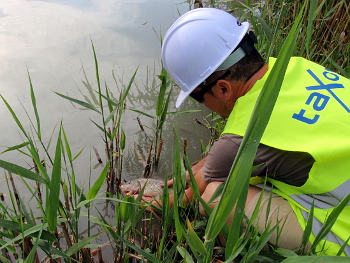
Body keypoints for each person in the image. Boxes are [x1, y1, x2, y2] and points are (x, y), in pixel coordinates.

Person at [125, 7, 350, 255]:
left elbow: (186, 198)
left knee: (216, 196)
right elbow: (227, 158)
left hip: (343, 226)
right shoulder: (296, 67)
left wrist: (156, 201)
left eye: (198, 98)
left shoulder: (246, 133)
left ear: (222, 89)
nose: (205, 108)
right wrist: (197, 170)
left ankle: (237, 253)